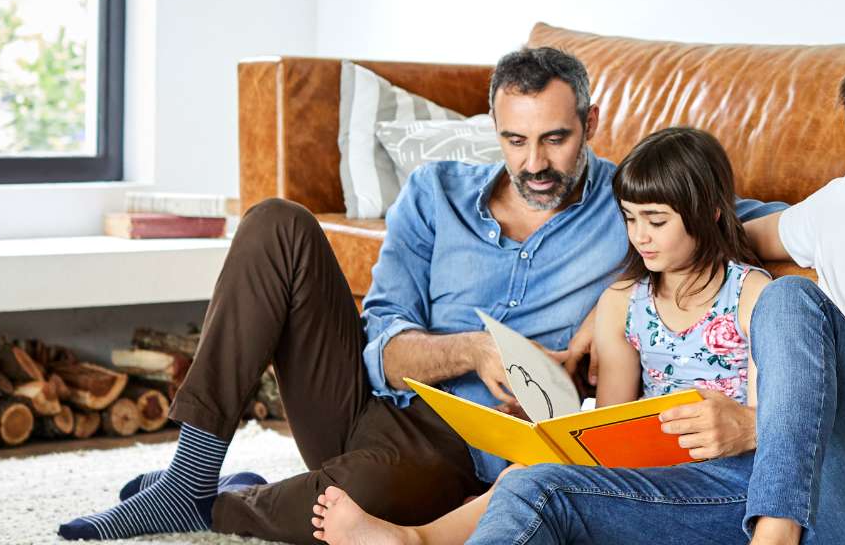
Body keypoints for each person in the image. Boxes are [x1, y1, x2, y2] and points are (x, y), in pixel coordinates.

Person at [448, 32, 845, 545]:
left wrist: (759, 422)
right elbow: (716, 232)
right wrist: (603, 315)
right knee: (536, 491)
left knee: (789, 299)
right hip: (768, 473)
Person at [60, 46, 625, 542]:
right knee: (275, 223)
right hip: (366, 399)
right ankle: (191, 474)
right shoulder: (435, 193)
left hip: (459, 453)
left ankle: (218, 504)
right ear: (494, 128)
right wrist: (474, 350)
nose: (535, 164)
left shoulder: (631, 206)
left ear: (590, 122)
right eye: (514, 140)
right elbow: (384, 346)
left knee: (358, 504)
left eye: (555, 139)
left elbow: (701, 260)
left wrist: (607, 309)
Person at [310, 125, 772, 545]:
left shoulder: (752, 294)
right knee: (526, 474)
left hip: (723, 482)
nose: (640, 237)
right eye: (630, 219)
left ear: (710, 213)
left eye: (656, 221)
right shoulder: (623, 301)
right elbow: (608, 427)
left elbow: (768, 423)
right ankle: (417, 539)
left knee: (538, 490)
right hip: (648, 472)